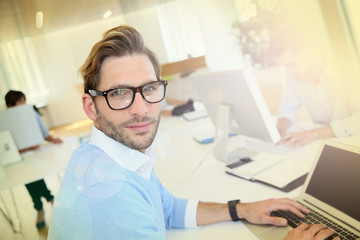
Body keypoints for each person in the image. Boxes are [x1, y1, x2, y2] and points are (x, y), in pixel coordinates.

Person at [48, 25, 338, 240]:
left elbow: (169, 209)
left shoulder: (113, 157)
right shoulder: (108, 195)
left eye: (149, 88)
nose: (140, 109)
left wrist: (242, 209)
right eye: (120, 93)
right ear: (90, 107)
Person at [268, 24, 360, 148]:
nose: (289, 72)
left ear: (310, 52)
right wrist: (281, 126)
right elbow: (288, 106)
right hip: (330, 144)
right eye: (285, 67)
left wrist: (312, 134)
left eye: (292, 64)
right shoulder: (294, 75)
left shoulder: (349, 68)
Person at [5, 90, 63, 229]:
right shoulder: (5, 119)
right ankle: (50, 199)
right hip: (17, 156)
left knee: (33, 177)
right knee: (28, 179)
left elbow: (44, 133)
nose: (23, 104)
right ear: (10, 104)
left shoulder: (31, 113)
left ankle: (39, 207)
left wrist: (52, 139)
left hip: (35, 153)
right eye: (19, 101)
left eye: (23, 100)